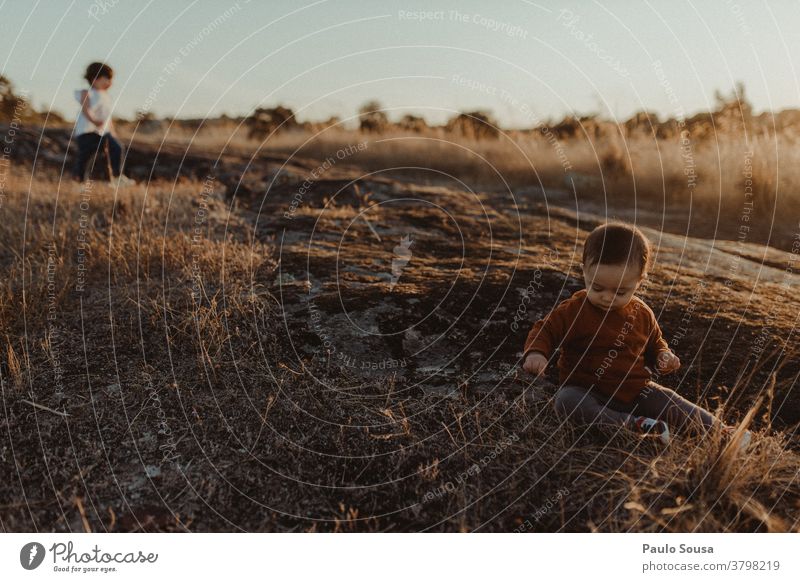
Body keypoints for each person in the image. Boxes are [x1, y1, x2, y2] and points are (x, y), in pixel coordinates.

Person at [522, 222, 750, 448]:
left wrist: (663, 356)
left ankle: (723, 433)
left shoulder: (641, 313)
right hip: (585, 390)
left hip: (636, 389)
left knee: (670, 401)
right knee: (565, 402)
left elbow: (654, 343)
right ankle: (637, 427)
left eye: (620, 291)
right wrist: (536, 352)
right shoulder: (575, 310)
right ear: (584, 271)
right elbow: (546, 329)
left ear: (640, 280)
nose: (607, 297)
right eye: (597, 287)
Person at [72, 62, 134, 185]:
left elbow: (107, 118)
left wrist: (113, 133)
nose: (110, 82)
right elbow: (85, 109)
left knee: (116, 148)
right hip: (86, 132)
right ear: (95, 79)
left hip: (102, 133)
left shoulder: (106, 96)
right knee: (85, 157)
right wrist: (93, 120)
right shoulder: (87, 92)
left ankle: (116, 177)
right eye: (107, 79)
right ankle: (78, 180)